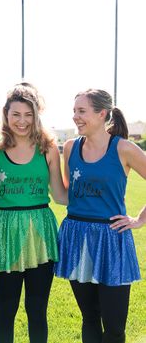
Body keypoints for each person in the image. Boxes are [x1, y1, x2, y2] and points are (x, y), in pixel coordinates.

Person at [55, 88, 146, 343]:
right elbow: (65, 195)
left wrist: (139, 220)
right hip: (77, 237)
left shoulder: (124, 148)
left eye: (81, 111)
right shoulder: (71, 147)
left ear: (102, 113)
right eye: (74, 111)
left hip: (112, 239)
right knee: (90, 318)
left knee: (115, 327)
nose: (76, 117)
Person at [0, 83, 66, 343]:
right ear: (6, 115)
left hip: (40, 231)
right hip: (5, 232)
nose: (22, 121)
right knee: (5, 310)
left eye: (28, 115)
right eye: (16, 114)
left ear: (36, 115)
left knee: (37, 309)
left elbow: (60, 195)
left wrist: (101, 197)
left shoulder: (49, 149)